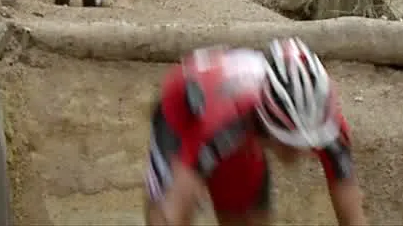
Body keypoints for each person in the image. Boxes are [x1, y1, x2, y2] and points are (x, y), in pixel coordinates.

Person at [145, 38, 369, 226]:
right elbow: (173, 209)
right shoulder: (224, 123)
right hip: (185, 117)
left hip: (237, 122)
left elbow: (352, 212)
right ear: (268, 122)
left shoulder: (326, 120)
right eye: (291, 141)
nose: (301, 151)